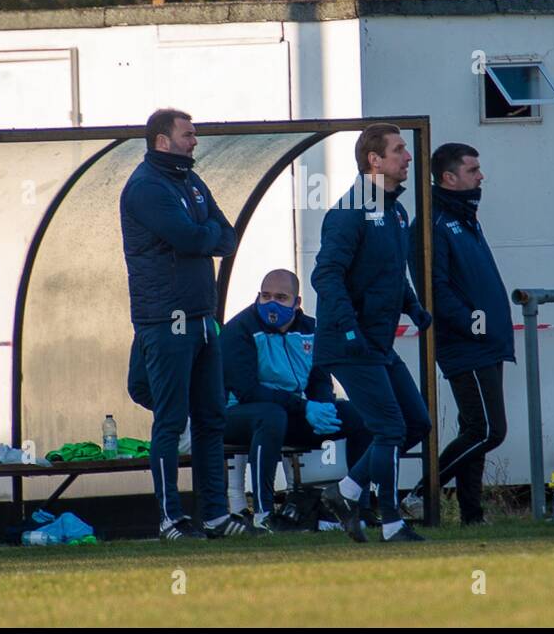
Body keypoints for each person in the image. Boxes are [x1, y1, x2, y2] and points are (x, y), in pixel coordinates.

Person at [122, 108, 247, 541]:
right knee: (171, 421)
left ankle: (214, 514)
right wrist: (204, 233)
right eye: (188, 135)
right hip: (167, 318)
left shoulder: (190, 181)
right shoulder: (145, 187)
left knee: (211, 418)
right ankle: (169, 518)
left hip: (204, 318)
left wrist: (204, 233)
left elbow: (227, 237)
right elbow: (194, 238)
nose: (195, 141)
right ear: (162, 141)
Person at [313, 123, 433, 543]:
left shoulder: (395, 211)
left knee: (417, 423)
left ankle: (346, 491)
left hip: (377, 343)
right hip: (349, 344)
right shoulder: (350, 211)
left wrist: (413, 306)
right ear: (374, 161)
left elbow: (391, 272)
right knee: (389, 430)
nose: (408, 157)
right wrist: (348, 330)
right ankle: (392, 522)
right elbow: (325, 275)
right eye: (399, 150)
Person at [404, 142, 514, 525]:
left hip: (487, 341)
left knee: (476, 430)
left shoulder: (465, 216)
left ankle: (472, 514)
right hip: (466, 344)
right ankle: (420, 494)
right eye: (472, 170)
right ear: (449, 178)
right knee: (489, 430)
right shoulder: (431, 223)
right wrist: (474, 323)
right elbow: (434, 289)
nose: (481, 176)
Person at [220, 268, 372, 532]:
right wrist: (305, 406)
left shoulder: (312, 329)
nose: (271, 304)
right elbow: (248, 391)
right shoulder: (239, 329)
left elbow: (319, 378)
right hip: (238, 415)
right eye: (265, 296)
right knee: (270, 416)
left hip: (289, 412)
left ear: (297, 302)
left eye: (281, 297)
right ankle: (263, 513)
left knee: (357, 415)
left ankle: (356, 505)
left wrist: (322, 404)